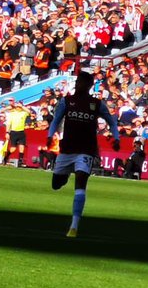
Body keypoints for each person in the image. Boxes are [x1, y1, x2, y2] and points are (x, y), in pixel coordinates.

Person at [46, 69, 120, 238]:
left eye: (82, 82)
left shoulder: (97, 104)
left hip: (86, 150)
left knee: (80, 183)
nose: (79, 84)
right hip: (68, 149)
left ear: (88, 85)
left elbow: (111, 122)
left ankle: (74, 226)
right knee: (56, 184)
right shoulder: (67, 101)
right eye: (78, 81)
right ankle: (64, 175)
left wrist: (116, 138)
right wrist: (50, 136)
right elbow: (56, 120)